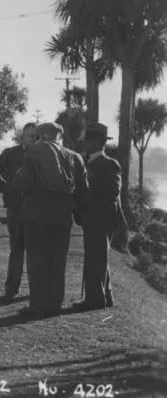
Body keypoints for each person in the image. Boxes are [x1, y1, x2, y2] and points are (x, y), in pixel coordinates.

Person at [12, 122, 88, 318]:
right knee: (58, 260)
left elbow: (22, 183)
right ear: (59, 136)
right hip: (62, 217)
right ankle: (55, 305)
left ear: (41, 135)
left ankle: (37, 305)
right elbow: (83, 191)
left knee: (37, 261)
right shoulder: (75, 157)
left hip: (36, 216)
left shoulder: (34, 152)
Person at [73, 123, 126, 311]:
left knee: (95, 259)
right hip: (91, 217)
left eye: (87, 140)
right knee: (98, 257)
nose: (84, 143)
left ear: (97, 142)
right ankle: (106, 296)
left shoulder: (110, 164)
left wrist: (87, 185)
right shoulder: (85, 163)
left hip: (102, 218)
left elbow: (113, 190)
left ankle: (94, 300)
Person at [0, 122, 38, 301]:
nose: (32, 139)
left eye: (35, 136)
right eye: (29, 135)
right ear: (22, 136)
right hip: (15, 208)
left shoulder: (43, 154)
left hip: (36, 209)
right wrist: (7, 190)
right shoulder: (10, 153)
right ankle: (11, 289)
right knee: (16, 249)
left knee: (34, 251)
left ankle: (35, 291)